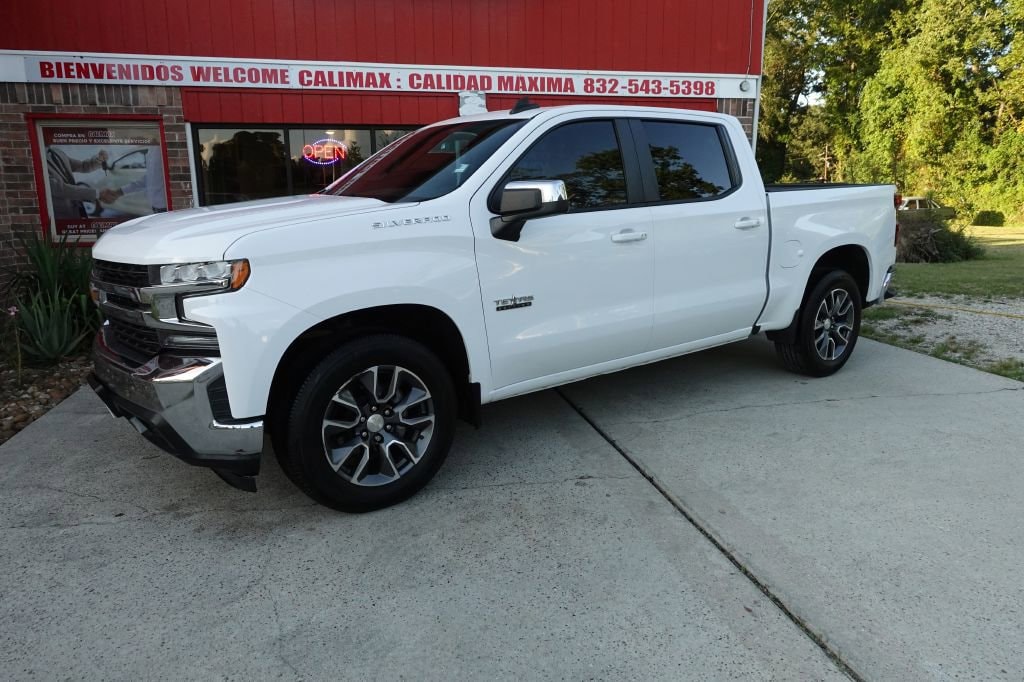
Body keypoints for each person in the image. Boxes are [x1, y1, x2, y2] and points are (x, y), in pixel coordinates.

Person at [99, 147, 167, 213]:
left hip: (167, 208)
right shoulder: (152, 150)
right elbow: (149, 178)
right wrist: (119, 192)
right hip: (157, 208)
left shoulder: (161, 149)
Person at [45, 147, 107, 219]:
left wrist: (98, 160)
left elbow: (82, 166)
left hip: (76, 211)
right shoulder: (37, 159)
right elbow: (60, 189)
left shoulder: (56, 151)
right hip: (61, 216)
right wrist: (96, 194)